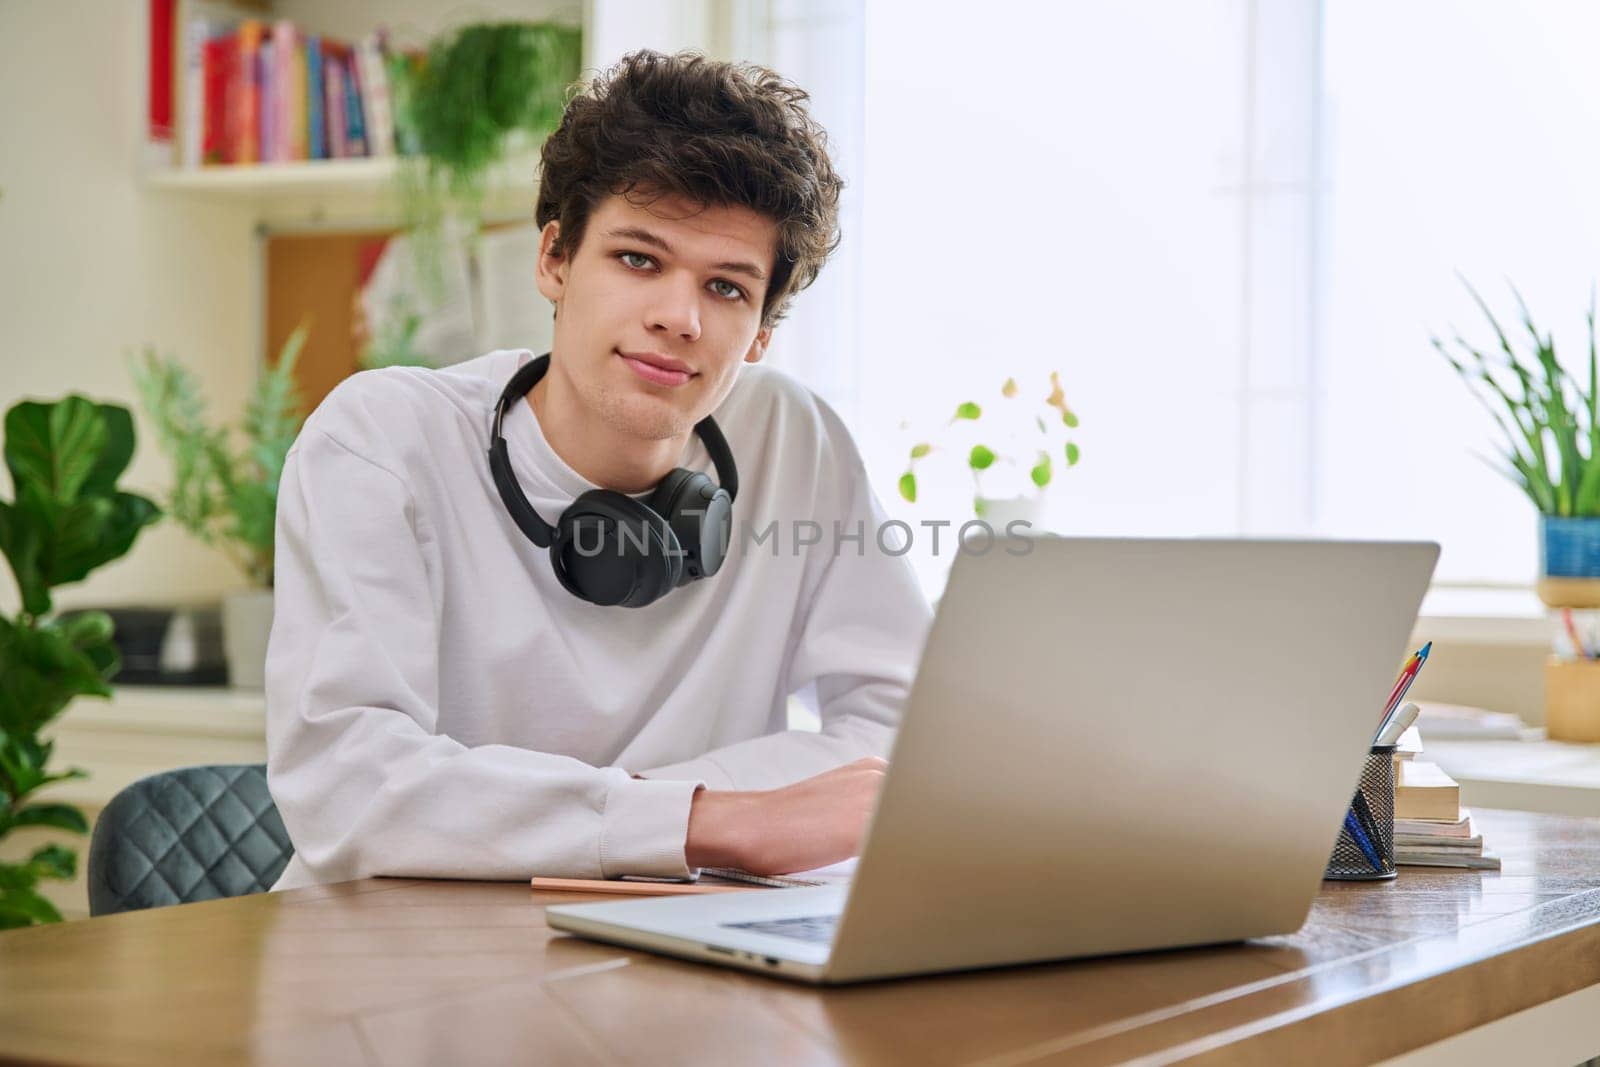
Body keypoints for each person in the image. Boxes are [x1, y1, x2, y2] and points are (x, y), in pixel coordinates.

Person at [265, 50, 930, 889]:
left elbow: (903, 733)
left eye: (727, 288)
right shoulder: (380, 441)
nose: (677, 317)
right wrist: (703, 821)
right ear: (554, 259)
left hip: (674, 940)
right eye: (638, 260)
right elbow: (347, 784)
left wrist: (649, 817)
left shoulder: (796, 440)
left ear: (761, 332)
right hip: (396, 960)